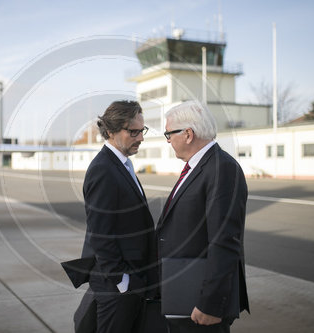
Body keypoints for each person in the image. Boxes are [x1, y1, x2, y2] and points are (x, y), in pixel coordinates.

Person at [156, 100, 250, 333]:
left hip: (200, 306)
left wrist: (211, 304)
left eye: (169, 134)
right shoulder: (199, 167)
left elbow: (225, 240)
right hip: (183, 294)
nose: (168, 141)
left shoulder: (221, 168)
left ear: (188, 134)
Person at [69, 100, 158, 333]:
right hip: (117, 284)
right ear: (111, 131)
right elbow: (100, 233)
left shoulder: (122, 165)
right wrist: (122, 281)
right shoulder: (103, 169)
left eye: (142, 130)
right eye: (133, 132)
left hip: (130, 280)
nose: (140, 138)